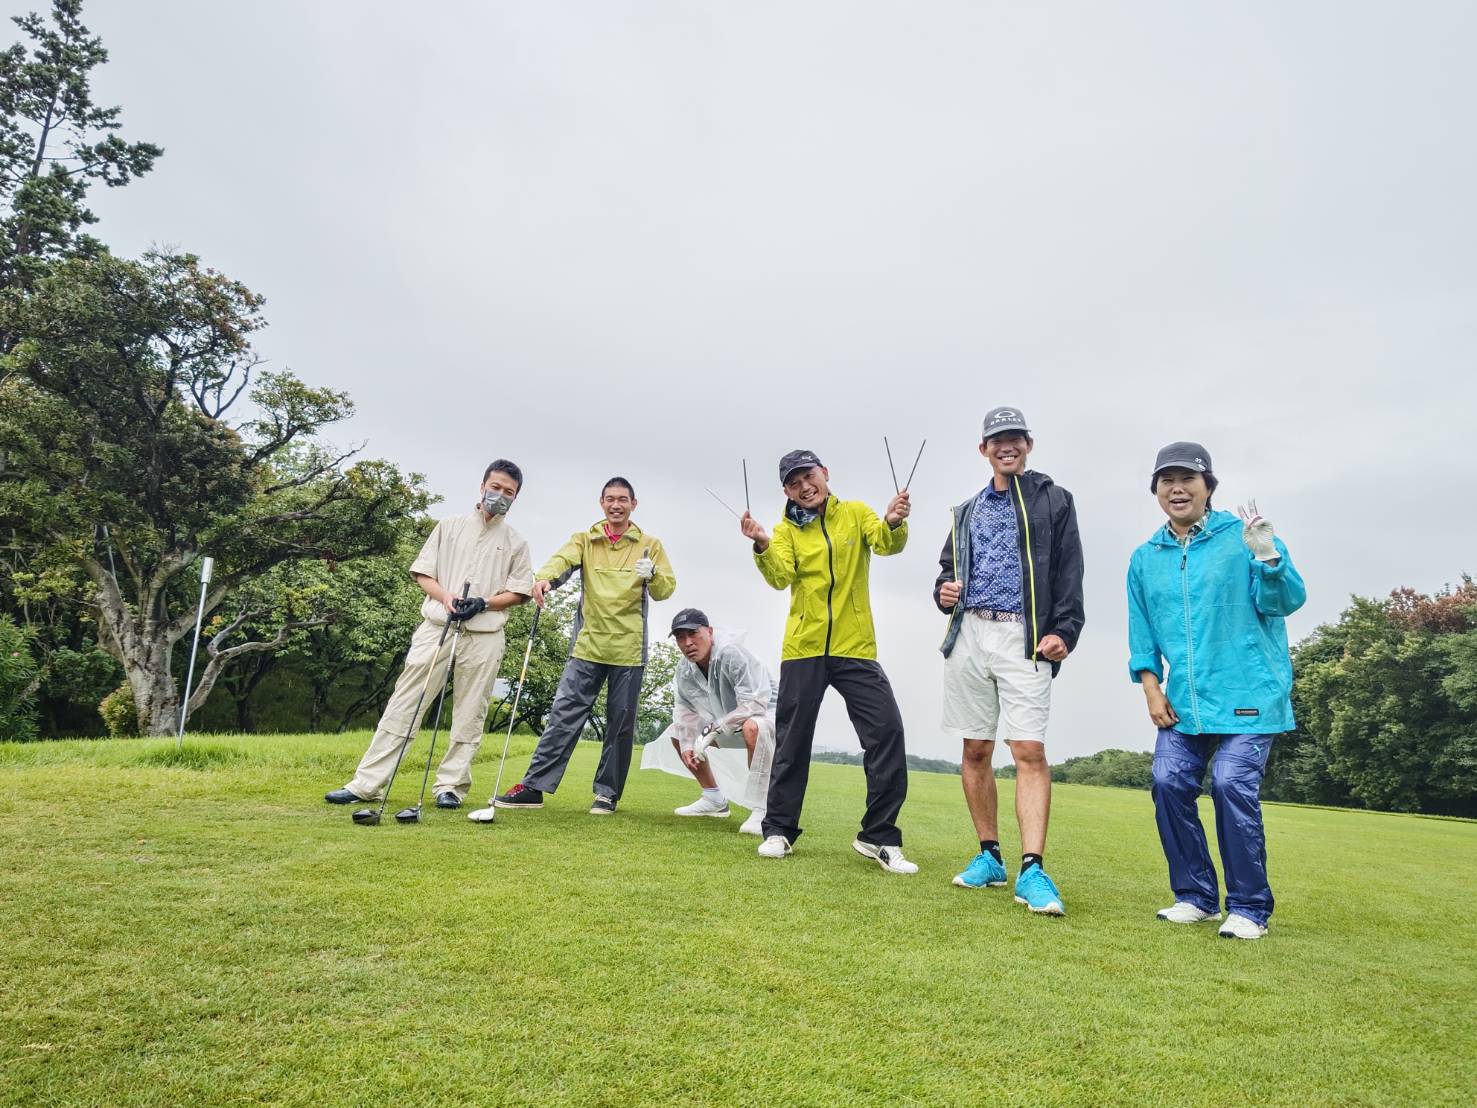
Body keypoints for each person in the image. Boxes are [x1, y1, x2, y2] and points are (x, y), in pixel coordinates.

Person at [1127, 442, 1306, 940]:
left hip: (1250, 693)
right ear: (1156, 490)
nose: (1177, 489)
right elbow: (1141, 632)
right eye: (1167, 480)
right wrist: (1151, 687)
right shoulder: (1145, 557)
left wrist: (1268, 557)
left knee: (1229, 783)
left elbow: (1284, 601)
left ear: (1208, 487)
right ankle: (1196, 897)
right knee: (1167, 782)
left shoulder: (1243, 537)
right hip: (1185, 700)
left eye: (1188, 479)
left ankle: (1249, 907)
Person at [933, 406, 1085, 915]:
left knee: (1028, 750)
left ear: (1028, 445)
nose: (1007, 446)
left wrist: (1065, 630)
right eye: (997, 440)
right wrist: (943, 591)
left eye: (1015, 438)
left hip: (1026, 635)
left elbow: (1070, 569)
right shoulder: (966, 510)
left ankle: (1032, 869)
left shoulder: (1054, 499)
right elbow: (947, 571)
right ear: (983, 449)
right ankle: (989, 856)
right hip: (970, 634)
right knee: (975, 747)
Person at [739, 449, 917, 873]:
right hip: (804, 648)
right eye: (794, 482)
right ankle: (779, 830)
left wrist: (894, 520)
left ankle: (879, 836)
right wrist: (762, 544)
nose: (805, 486)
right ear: (786, 491)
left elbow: (886, 543)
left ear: (825, 473)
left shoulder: (856, 513)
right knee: (792, 742)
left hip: (855, 647)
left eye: (809, 476)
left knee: (887, 732)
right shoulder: (785, 530)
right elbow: (780, 575)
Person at [325, 460, 534, 809]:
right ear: (483, 485)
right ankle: (367, 784)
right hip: (438, 626)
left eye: (508, 492)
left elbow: (520, 592)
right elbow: (423, 573)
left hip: (484, 635)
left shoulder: (516, 542)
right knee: (405, 703)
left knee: (471, 711)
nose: (500, 495)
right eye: (495, 487)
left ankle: (450, 786)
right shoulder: (449, 526)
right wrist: (446, 597)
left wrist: (483, 603)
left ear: (515, 497)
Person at [478, 476, 676, 817]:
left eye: (623, 499)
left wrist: (653, 574)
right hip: (587, 645)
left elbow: (665, 590)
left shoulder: (649, 545)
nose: (616, 505)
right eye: (610, 499)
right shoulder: (585, 539)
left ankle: (606, 795)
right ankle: (534, 787)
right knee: (563, 717)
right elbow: (561, 562)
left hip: (629, 649)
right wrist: (544, 579)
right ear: (602, 503)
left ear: (633, 504)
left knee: (620, 724)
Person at [640, 608, 777, 836]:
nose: (687, 643)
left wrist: (714, 728)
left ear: (710, 631)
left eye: (693, 634)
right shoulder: (684, 669)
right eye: (680, 637)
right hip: (731, 724)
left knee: (753, 726)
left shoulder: (732, 653)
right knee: (677, 732)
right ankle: (714, 799)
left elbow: (754, 704)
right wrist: (687, 744)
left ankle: (763, 809)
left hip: (772, 720)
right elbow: (684, 709)